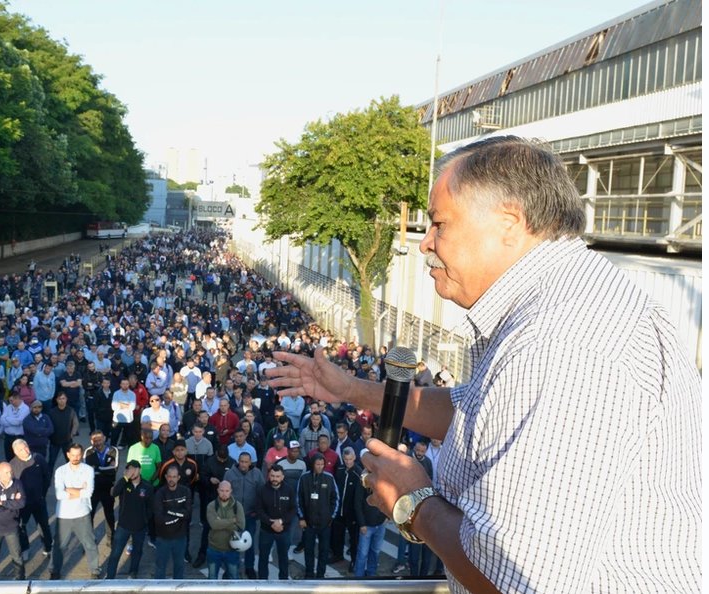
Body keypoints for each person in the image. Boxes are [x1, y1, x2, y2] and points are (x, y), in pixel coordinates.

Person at [267, 136, 702, 592]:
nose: (425, 244)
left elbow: (515, 577)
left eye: (439, 224)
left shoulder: (558, 345)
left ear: (509, 223)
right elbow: (478, 411)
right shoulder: (560, 304)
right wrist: (351, 390)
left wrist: (413, 502)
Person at [49, 443, 99, 580]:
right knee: (59, 546)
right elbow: (59, 495)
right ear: (68, 455)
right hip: (64, 515)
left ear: (81, 455)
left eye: (78, 455)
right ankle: (54, 571)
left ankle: (95, 570)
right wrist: (79, 490)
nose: (76, 458)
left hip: (82, 513)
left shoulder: (88, 470)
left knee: (89, 544)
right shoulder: (60, 471)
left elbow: (89, 492)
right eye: (73, 455)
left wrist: (68, 489)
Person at [104, 460, 153, 579]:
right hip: (123, 526)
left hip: (139, 527)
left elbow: (150, 508)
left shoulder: (147, 486)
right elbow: (113, 493)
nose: (131, 472)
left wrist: (145, 521)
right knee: (115, 553)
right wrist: (125, 478)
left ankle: (133, 572)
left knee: (137, 552)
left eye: (134, 469)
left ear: (139, 470)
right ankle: (110, 577)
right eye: (129, 469)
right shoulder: (123, 484)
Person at [9, 439, 53, 560]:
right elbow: (11, 485)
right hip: (23, 504)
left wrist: (43, 493)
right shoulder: (12, 465)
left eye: (26, 447)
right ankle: (25, 549)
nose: (25, 451)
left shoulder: (38, 458)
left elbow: (46, 477)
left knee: (44, 525)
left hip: (39, 500)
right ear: (15, 452)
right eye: (21, 450)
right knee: (21, 526)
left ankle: (48, 548)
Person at [297, 453, 339, 579]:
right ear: (312, 464)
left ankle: (321, 574)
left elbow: (335, 499)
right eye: (317, 464)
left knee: (324, 550)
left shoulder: (329, 478)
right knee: (309, 550)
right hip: (309, 523)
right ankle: (309, 573)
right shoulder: (304, 478)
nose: (320, 467)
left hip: (325, 523)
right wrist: (301, 518)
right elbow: (298, 498)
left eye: (322, 464)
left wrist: (331, 517)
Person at [223, 451, 263, 578]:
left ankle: (249, 567)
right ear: (238, 461)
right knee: (231, 543)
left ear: (250, 462)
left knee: (249, 543)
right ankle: (230, 568)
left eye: (246, 462)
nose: (244, 464)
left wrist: (257, 512)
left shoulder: (257, 474)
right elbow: (224, 494)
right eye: (242, 462)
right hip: (234, 516)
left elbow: (261, 493)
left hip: (250, 515)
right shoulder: (229, 474)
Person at [0, 462, 26, 581]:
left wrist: (2, 503)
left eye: (11, 472)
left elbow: (22, 503)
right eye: (6, 472)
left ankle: (20, 580)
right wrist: (12, 505)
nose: (9, 474)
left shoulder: (17, 483)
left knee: (17, 556)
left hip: (12, 527)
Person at [255, 464, 297, 580]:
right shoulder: (262, 490)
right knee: (263, 558)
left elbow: (293, 509)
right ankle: (263, 582)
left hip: (284, 531)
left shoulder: (289, 489)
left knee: (283, 558)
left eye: (277, 476)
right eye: (272, 476)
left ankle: (283, 582)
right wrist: (271, 523)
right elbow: (259, 510)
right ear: (269, 476)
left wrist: (281, 521)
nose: (274, 479)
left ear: (282, 477)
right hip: (266, 531)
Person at [152, 464, 192, 580]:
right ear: (165, 476)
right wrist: (178, 517)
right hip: (163, 538)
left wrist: (169, 511)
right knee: (160, 567)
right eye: (169, 476)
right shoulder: (160, 493)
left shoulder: (186, 491)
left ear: (179, 477)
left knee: (179, 566)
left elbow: (188, 514)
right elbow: (159, 519)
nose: (171, 479)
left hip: (180, 537)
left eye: (174, 477)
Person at [206, 479, 245, 579]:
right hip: (214, 548)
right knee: (212, 579)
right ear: (218, 490)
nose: (224, 493)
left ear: (231, 491)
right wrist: (232, 520)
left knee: (233, 579)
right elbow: (214, 525)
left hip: (232, 550)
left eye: (227, 491)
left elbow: (241, 526)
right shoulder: (211, 506)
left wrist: (220, 522)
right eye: (222, 490)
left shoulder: (238, 506)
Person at [330, 447, 361, 570]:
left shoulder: (358, 472)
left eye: (350, 459)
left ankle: (354, 560)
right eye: (346, 459)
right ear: (343, 458)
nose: (348, 462)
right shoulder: (340, 470)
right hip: (339, 511)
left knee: (354, 538)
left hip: (352, 512)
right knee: (338, 535)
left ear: (354, 457)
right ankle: (338, 555)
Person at [84, 430, 118, 543]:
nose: (98, 442)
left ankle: (111, 539)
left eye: (99, 440)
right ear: (91, 441)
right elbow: (87, 471)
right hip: (93, 489)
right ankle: (90, 541)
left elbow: (114, 470)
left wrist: (97, 468)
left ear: (104, 438)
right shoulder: (88, 452)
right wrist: (105, 469)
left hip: (108, 488)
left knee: (109, 515)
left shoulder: (114, 450)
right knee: (90, 516)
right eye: (95, 441)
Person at [47, 392, 78, 472]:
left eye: (63, 398)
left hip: (67, 441)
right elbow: (48, 426)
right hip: (54, 442)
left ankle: (71, 480)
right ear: (57, 400)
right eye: (60, 399)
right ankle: (47, 481)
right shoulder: (52, 412)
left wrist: (72, 435)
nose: (61, 400)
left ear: (66, 399)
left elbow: (75, 424)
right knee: (51, 462)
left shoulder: (71, 411)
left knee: (70, 461)